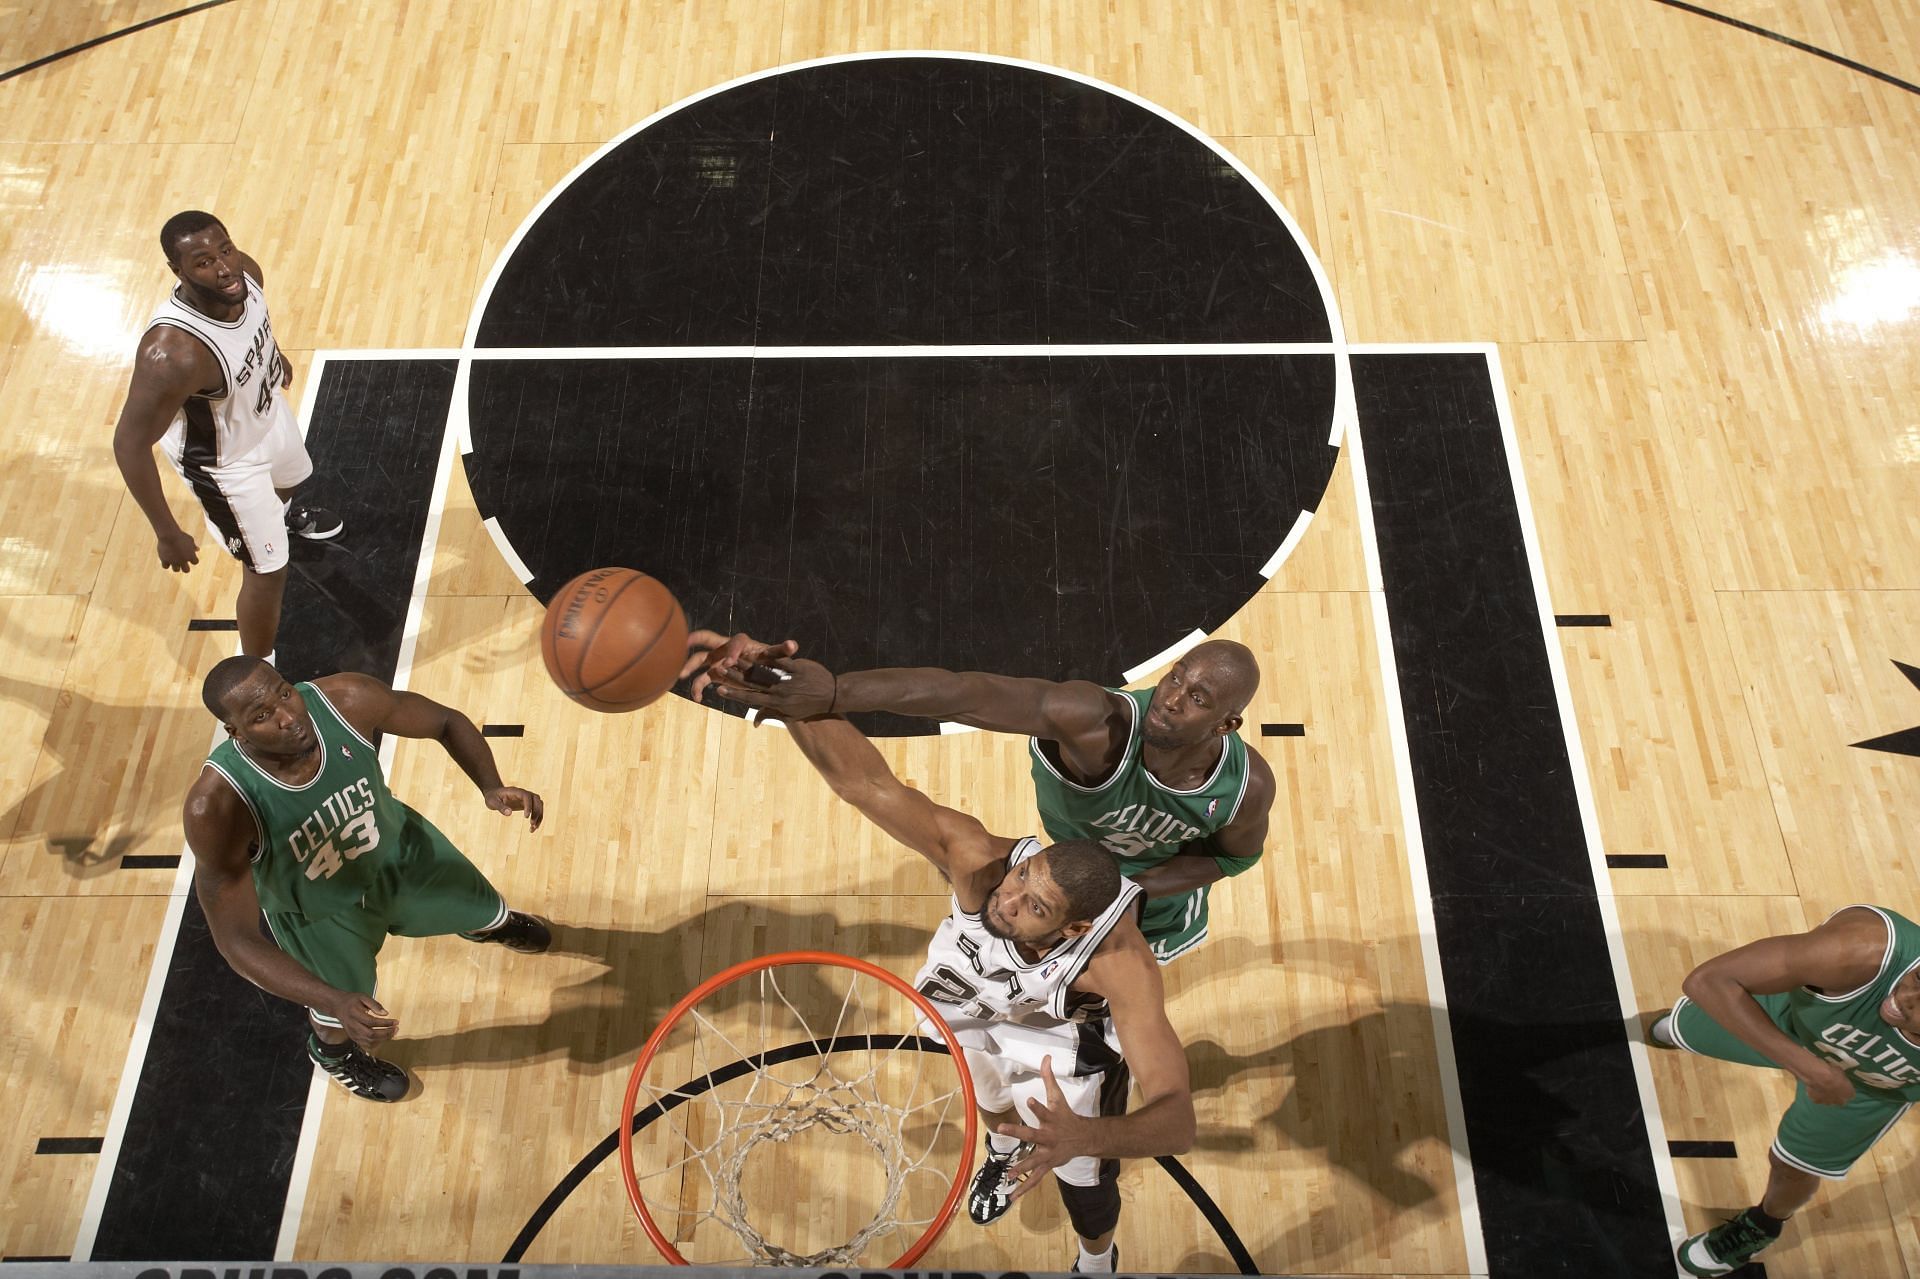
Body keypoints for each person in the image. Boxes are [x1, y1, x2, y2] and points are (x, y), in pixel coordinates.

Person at [685, 636, 1195, 1273]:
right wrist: (786, 692)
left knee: (1085, 1182)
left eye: (1034, 907)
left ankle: (1097, 1262)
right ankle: (1002, 1152)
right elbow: (865, 784)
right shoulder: (981, 863)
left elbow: (1178, 1119)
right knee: (984, 1084)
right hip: (964, 1007)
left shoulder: (1118, 965)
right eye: (1022, 879)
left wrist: (1086, 1134)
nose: (1009, 902)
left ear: (1072, 929)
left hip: (1059, 1048)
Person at [686, 632, 1274, 964]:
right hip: (1078, 898)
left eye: (1198, 699)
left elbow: (1232, 857)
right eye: (1176, 679)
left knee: (1085, 1056)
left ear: (1225, 725)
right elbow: (959, 696)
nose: (1171, 699)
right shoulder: (1089, 724)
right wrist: (801, 689)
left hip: (1147, 911)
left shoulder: (1244, 790)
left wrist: (1128, 891)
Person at [184, 655, 551, 1102]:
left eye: (284, 692)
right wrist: (331, 998)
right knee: (339, 1014)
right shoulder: (218, 805)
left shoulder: (348, 701)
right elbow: (236, 939)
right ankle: (332, 1054)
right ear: (235, 733)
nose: (287, 717)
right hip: (321, 914)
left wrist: (490, 785)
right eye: (262, 717)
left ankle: (483, 924)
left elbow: (445, 721)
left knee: (484, 907)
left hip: (399, 852)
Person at [113, 211, 342, 658]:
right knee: (268, 570)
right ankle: (257, 670)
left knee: (293, 478)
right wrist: (166, 531)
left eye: (225, 249)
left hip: (264, 411)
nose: (223, 268)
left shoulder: (247, 274)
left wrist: (274, 358)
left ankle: (279, 521)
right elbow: (129, 444)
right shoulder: (173, 355)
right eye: (202, 262)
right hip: (225, 463)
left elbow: (256, 326)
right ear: (176, 271)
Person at [1648, 904, 1920, 1275]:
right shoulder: (1862, 949)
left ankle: (1762, 1225)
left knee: (1791, 1167)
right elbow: (1709, 981)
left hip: (1870, 1087)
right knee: (1680, 1025)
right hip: (1793, 1020)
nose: (1903, 1000)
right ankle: (1690, 1030)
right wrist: (1808, 1068)